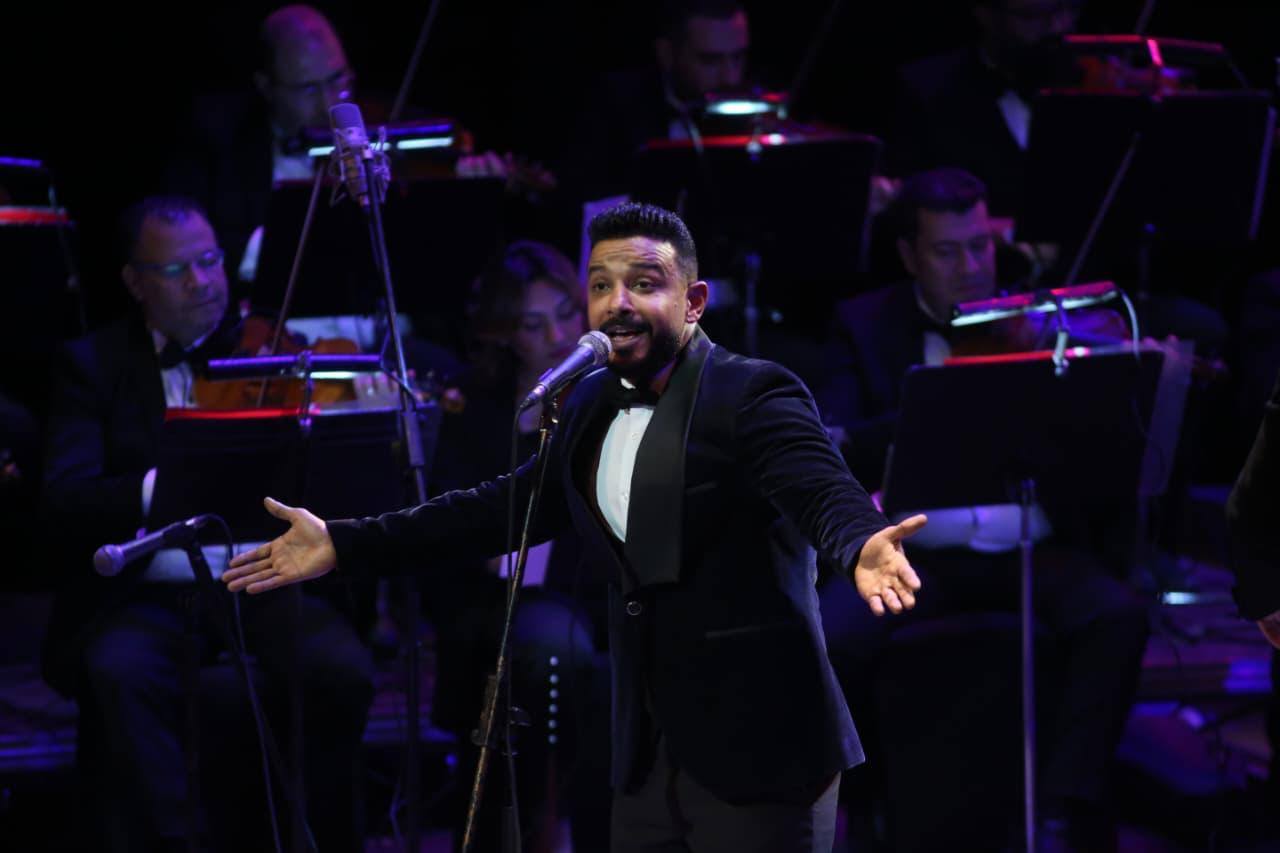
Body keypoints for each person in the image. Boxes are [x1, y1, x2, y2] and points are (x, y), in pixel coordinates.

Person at [223, 202, 925, 853]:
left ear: (693, 301)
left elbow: (817, 484)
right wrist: (345, 541)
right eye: (600, 285)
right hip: (645, 755)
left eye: (643, 284)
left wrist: (861, 542)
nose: (616, 303)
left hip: (759, 747)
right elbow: (495, 510)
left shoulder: (751, 392)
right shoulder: (589, 403)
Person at [814, 168, 1149, 850]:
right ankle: (870, 808)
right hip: (915, 554)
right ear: (909, 255)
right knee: (832, 634)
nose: (970, 267)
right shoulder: (864, 326)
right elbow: (838, 434)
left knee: (1117, 615)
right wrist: (939, 404)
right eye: (946, 251)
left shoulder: (1039, 318)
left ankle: (1062, 809)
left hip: (1031, 544)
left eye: (979, 247)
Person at [41, 196, 373, 852]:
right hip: (148, 590)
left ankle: (316, 836)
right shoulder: (92, 364)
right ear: (135, 282)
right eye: (175, 270)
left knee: (343, 669)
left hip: (263, 576)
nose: (201, 282)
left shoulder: (272, 351)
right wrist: (168, 485)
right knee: (119, 670)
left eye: (211, 260)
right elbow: (65, 497)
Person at [428, 240, 612, 850]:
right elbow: (456, 527)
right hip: (502, 598)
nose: (559, 336)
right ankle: (533, 825)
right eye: (534, 325)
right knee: (543, 648)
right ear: (505, 334)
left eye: (565, 313)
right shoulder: (475, 408)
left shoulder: (614, 389)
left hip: (596, 590)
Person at [559, 1, 751, 202]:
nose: (730, 77)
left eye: (738, 58)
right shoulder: (617, 105)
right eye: (709, 61)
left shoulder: (755, 112)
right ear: (666, 53)